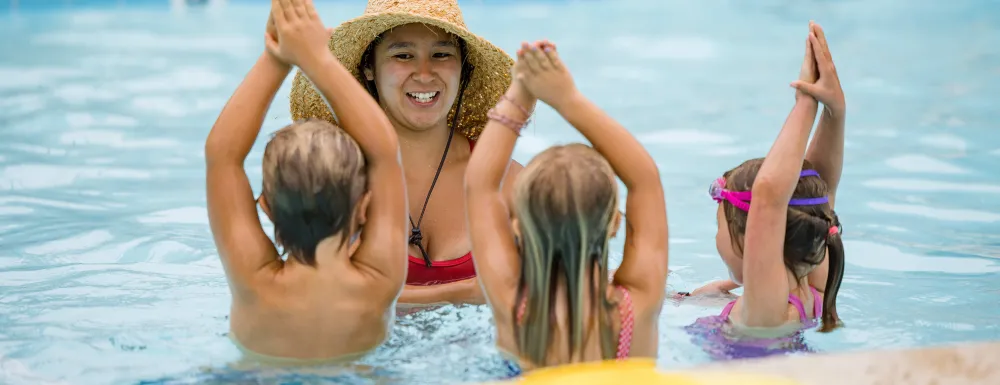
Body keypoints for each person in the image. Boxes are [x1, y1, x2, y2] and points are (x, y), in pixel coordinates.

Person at [204, 0, 407, 363]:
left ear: (265, 207)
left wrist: (277, 56)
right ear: (365, 206)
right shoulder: (379, 282)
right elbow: (385, 153)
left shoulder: (255, 282)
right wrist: (318, 60)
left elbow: (223, 157)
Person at [289, 0, 520, 306]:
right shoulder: (335, 179)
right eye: (403, 55)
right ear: (369, 67)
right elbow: (310, 297)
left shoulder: (511, 182)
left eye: (441, 54)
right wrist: (465, 292)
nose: (424, 74)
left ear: (463, 68)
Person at [465, 40, 669, 371]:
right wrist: (567, 99)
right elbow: (645, 180)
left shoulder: (512, 304)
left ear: (517, 226)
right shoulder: (638, 304)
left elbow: (479, 186)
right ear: (615, 222)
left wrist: (521, 92)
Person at [682, 22, 847, 359]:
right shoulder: (811, 289)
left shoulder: (766, 311)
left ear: (751, 237)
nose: (716, 238)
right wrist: (834, 112)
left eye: (719, 227)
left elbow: (770, 198)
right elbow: (817, 191)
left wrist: (806, 102)